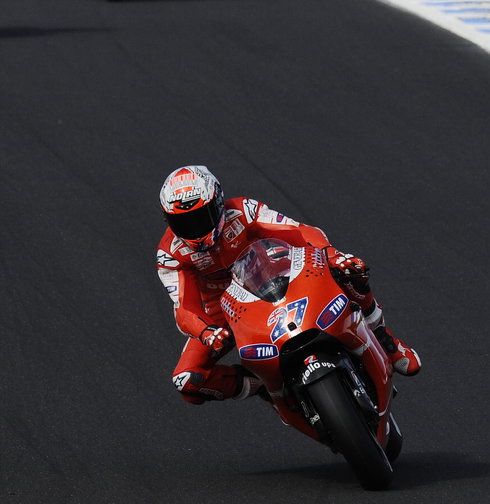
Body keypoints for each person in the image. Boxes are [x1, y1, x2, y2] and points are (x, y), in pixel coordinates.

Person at [155, 165, 422, 405]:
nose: (194, 230)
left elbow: (299, 230)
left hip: (274, 278)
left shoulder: (244, 211)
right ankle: (260, 384)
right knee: (187, 380)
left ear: (219, 202)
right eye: (183, 223)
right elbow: (184, 307)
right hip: (223, 314)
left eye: (201, 217)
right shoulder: (170, 253)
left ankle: (385, 339)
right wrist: (206, 332)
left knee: (352, 270)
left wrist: (330, 254)